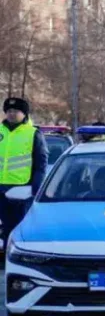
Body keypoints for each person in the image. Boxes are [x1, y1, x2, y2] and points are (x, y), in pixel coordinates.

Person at [0, 97, 48, 247]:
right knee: (6, 228)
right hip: (1, 188)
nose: (12, 114)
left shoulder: (33, 133)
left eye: (16, 111)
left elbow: (41, 163)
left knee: (20, 227)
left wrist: (35, 188)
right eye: (9, 111)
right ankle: (7, 253)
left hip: (22, 189)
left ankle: (21, 253)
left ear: (24, 114)